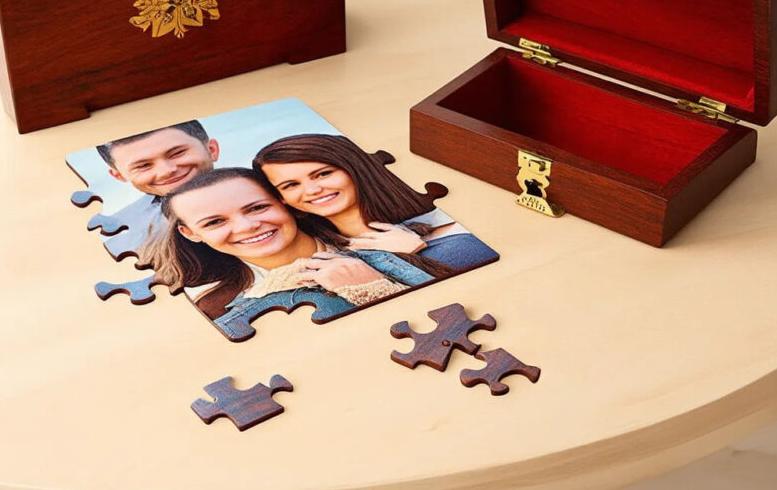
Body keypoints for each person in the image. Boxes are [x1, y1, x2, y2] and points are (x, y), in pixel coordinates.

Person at [144, 168, 441, 338]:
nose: (247, 226)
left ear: (286, 203)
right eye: (215, 222)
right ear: (191, 234)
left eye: (258, 207)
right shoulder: (217, 311)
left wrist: (379, 284)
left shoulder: (398, 240)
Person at [253, 134, 498, 271]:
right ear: (282, 199)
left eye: (324, 173)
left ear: (355, 168)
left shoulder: (457, 231)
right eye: (290, 185)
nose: (313, 190)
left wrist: (416, 254)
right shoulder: (327, 263)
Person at [94, 120, 220, 258]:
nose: (166, 171)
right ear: (119, 175)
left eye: (177, 153)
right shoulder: (118, 242)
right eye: (143, 166)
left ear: (211, 149)